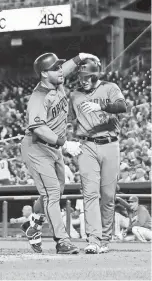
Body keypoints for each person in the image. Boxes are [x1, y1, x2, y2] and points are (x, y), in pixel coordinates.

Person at [21, 52, 100, 254]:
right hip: (37, 147)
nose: (60, 70)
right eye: (55, 68)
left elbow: (66, 69)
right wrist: (64, 144)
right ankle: (62, 240)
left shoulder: (56, 80)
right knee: (52, 194)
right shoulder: (38, 97)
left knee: (53, 192)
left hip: (53, 148)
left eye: (59, 67)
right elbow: (37, 128)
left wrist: (80, 57)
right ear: (44, 73)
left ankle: (34, 224)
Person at [68, 59, 127, 253]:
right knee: (90, 194)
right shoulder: (74, 95)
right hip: (86, 145)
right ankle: (94, 239)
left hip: (110, 144)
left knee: (108, 195)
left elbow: (121, 106)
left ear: (95, 74)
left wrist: (101, 107)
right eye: (80, 77)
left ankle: (105, 241)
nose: (83, 80)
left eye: (87, 76)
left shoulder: (110, 87)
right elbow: (67, 120)